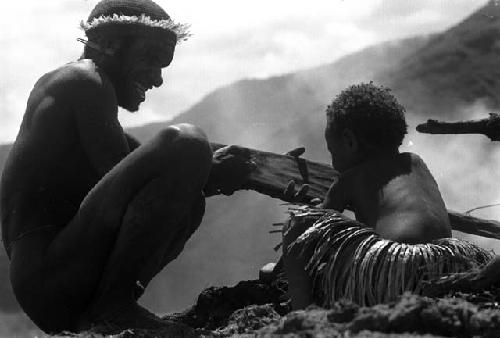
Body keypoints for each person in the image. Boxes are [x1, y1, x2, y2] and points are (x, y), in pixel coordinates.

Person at [0, 0, 247, 333]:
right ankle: (113, 307)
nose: (158, 80)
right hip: (49, 277)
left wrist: (239, 173)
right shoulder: (83, 80)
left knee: (192, 195)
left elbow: (151, 182)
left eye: (163, 66)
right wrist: (205, 165)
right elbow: (135, 179)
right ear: (111, 45)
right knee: (187, 141)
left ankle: (112, 308)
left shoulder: (88, 99)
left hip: (60, 284)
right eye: (149, 59)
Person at [282, 82, 452, 309]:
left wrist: (307, 211)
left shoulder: (349, 179)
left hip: (396, 268)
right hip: (450, 264)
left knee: (296, 225)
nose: (332, 162)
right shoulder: (415, 163)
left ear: (350, 141)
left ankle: (301, 312)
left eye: (332, 151)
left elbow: (316, 228)